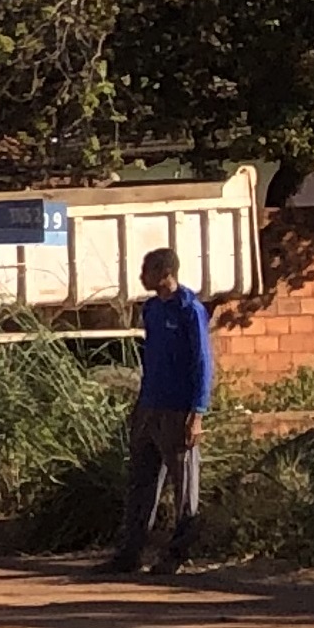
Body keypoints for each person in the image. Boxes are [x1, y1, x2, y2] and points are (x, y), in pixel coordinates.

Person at [112, 244, 213, 573]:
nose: (142, 277)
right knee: (142, 480)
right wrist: (141, 404)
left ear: (165, 273)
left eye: (148, 270)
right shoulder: (152, 309)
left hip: (178, 410)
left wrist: (197, 413)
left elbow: (202, 363)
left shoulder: (190, 310)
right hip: (150, 407)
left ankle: (178, 554)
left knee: (184, 485)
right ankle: (131, 553)